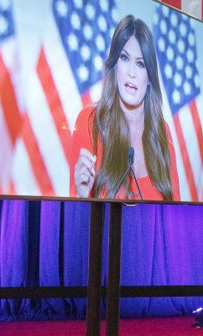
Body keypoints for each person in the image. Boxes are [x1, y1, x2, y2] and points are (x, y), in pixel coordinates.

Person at [71, 14, 180, 201]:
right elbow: (75, 219)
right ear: (114, 66)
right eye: (124, 58)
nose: (131, 72)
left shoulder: (163, 132)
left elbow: (175, 213)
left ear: (149, 77)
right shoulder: (90, 122)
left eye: (140, 64)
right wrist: (82, 195)